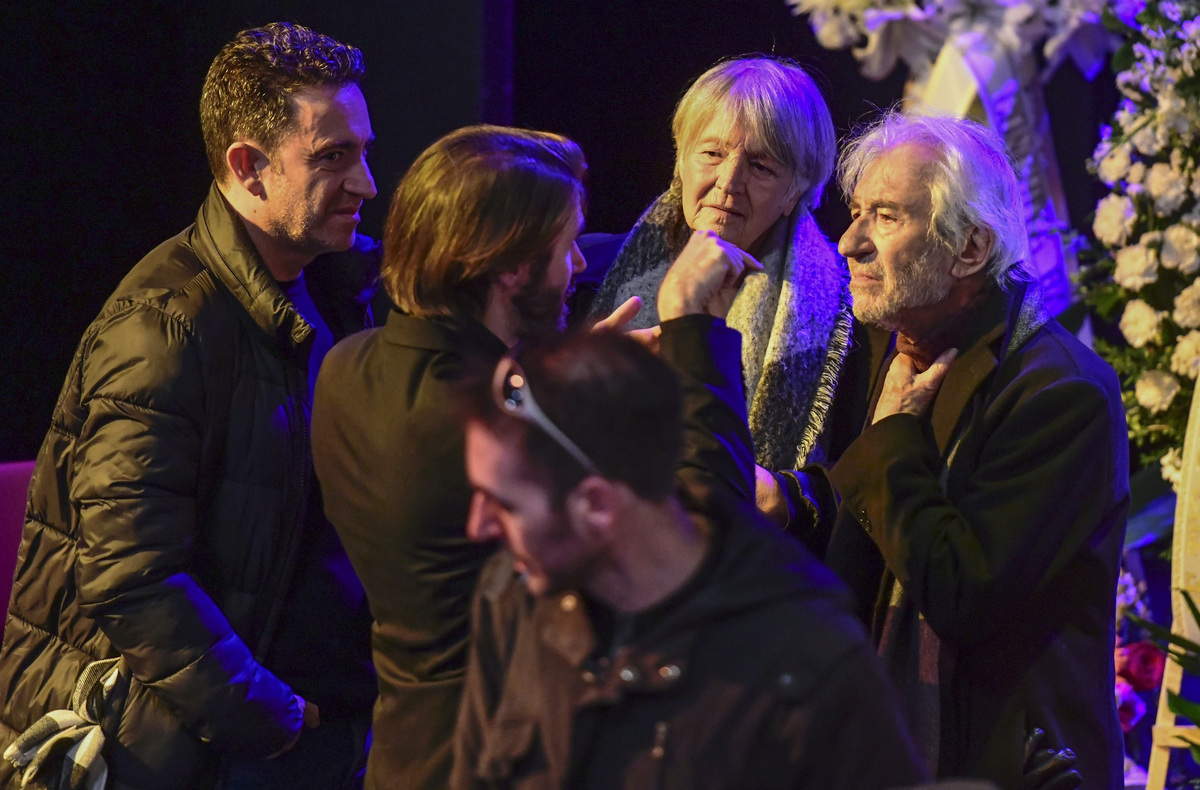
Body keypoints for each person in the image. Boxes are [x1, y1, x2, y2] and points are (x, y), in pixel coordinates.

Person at [0, 22, 380, 790]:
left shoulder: (335, 291)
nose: (367, 183)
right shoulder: (163, 329)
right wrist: (273, 719)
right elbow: (130, 579)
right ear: (248, 167)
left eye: (364, 151)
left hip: (306, 730)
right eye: (334, 156)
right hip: (195, 748)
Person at [451, 234, 928, 790]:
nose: (477, 525)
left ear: (598, 508)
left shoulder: (810, 666)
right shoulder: (512, 595)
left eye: (505, 503)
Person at [758, 111, 1128, 788]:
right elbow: (865, 510)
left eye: (886, 216)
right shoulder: (899, 342)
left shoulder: (1060, 393)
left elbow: (961, 590)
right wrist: (791, 500)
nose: (848, 242)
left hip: (1010, 769)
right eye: (856, 211)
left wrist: (896, 435)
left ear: (970, 249)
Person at [311, 125, 640, 790]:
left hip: (404, 754)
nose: (578, 264)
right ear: (510, 266)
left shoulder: (346, 368)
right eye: (565, 244)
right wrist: (699, 338)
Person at [586, 55, 852, 472]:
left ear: (796, 191)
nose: (728, 182)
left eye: (760, 166)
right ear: (680, 161)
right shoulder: (587, 271)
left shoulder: (848, 308)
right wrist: (577, 379)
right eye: (711, 153)